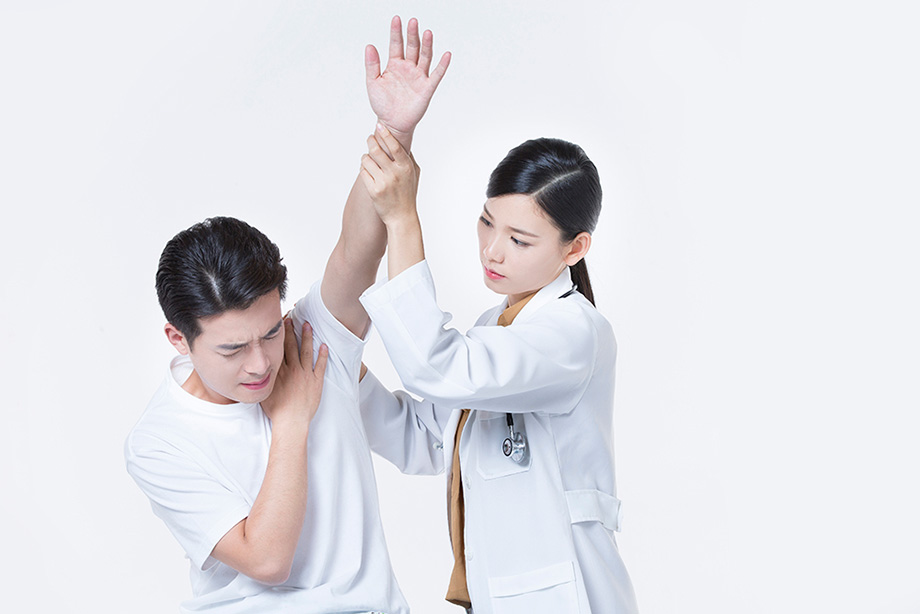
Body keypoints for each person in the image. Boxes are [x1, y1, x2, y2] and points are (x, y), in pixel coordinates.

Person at [124, 17, 450, 613]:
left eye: (269, 332)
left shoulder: (307, 342)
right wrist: (292, 420)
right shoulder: (160, 441)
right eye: (231, 348)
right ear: (178, 338)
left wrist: (394, 131)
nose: (261, 363)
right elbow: (268, 559)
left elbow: (356, 251)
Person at [355, 127, 640, 613]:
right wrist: (344, 369)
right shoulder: (496, 327)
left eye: (519, 240)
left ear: (574, 249)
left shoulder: (573, 334)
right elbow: (426, 439)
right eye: (487, 223)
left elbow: (436, 367)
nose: (492, 250)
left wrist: (402, 220)